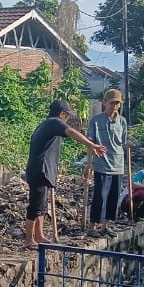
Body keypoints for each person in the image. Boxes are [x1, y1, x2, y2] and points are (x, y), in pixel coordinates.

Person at [24, 100, 106, 249]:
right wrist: (91, 145)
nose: (67, 120)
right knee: (35, 205)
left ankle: (39, 235)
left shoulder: (46, 124)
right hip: (39, 170)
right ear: (62, 114)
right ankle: (29, 238)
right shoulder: (54, 122)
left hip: (42, 170)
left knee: (42, 205)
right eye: (67, 116)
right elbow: (71, 131)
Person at [86, 88, 128, 235]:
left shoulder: (122, 121)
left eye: (118, 103)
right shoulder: (96, 121)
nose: (115, 106)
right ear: (104, 102)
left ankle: (105, 225)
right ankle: (92, 227)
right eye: (112, 103)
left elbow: (122, 142)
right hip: (101, 164)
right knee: (100, 196)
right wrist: (89, 163)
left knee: (113, 197)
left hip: (118, 164)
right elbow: (90, 143)